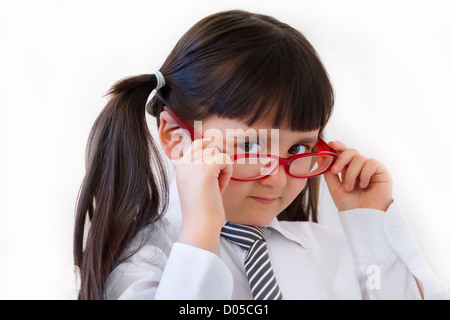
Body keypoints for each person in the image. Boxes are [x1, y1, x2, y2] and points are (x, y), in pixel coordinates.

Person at [73, 9, 449, 300]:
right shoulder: (141, 260)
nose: (277, 177)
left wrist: (370, 228)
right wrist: (202, 230)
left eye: (298, 148)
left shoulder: (332, 249)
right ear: (176, 136)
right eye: (250, 146)